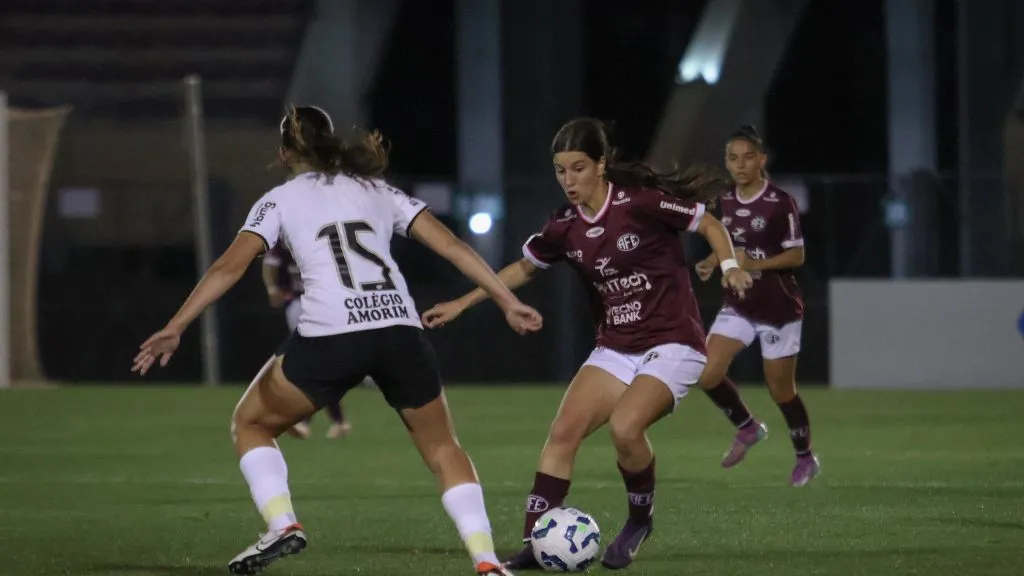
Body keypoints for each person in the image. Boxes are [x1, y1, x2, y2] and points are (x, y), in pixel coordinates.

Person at [132, 104, 539, 576]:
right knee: (444, 448)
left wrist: (177, 324)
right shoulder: (378, 189)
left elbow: (229, 266)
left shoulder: (279, 200)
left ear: (285, 153)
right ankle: (487, 562)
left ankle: (282, 524)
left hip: (332, 334)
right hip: (399, 329)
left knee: (252, 424)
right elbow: (452, 246)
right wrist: (506, 300)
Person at [421, 117, 752, 570]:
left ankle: (639, 520)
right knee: (563, 433)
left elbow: (711, 224)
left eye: (578, 168)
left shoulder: (640, 204)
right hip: (616, 345)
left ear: (601, 165)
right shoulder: (564, 226)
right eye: (560, 171)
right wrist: (464, 302)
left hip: (674, 342)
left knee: (625, 428)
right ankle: (536, 546)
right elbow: (523, 267)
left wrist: (730, 264)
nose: (568, 180)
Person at [693, 125, 819, 486]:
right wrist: (712, 262)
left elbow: (797, 255)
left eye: (748, 157)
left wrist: (754, 265)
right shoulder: (725, 201)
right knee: (707, 373)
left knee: (780, 390)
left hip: (779, 308)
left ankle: (805, 456)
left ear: (761, 160)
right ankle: (748, 427)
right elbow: (729, 244)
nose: (740, 164)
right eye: (733, 158)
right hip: (740, 303)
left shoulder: (780, 202)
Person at [262, 244, 352, 440]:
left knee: (315, 364)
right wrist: (272, 288)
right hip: (301, 302)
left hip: (322, 303)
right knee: (316, 364)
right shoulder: (286, 242)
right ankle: (333, 421)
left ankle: (310, 421)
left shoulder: (323, 237)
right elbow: (270, 264)